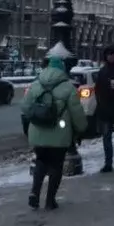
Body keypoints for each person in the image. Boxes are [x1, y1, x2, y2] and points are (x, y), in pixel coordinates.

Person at [21, 54, 88, 210]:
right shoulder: (68, 87)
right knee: (56, 166)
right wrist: (81, 128)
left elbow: (25, 107)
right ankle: (50, 200)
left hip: (38, 132)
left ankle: (34, 192)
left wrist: (36, 117)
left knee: (40, 160)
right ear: (62, 70)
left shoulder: (36, 84)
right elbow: (76, 113)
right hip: (60, 133)